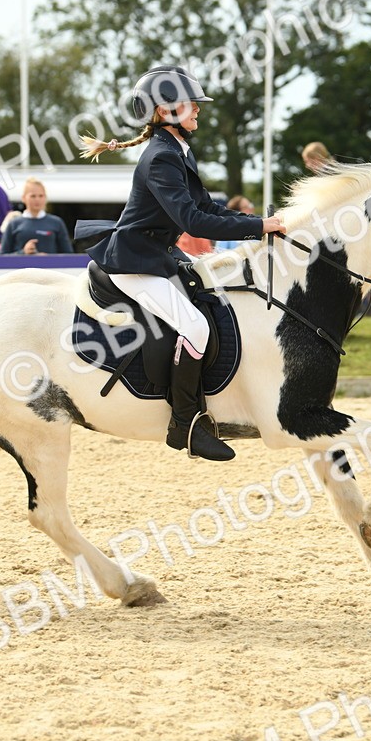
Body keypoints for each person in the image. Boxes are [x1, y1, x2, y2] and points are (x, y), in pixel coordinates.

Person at [78, 64, 286, 462]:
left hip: (159, 253)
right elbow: (192, 220)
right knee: (195, 327)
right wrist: (259, 226)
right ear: (163, 111)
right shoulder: (161, 158)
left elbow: (205, 206)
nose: (197, 110)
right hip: (133, 261)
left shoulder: (177, 151)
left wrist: (261, 224)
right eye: (190, 105)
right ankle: (185, 423)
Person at [0, 178, 74, 255]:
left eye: (41, 196)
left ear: (45, 198)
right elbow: (1, 257)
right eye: (33, 196)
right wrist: (23, 252)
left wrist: (48, 258)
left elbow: (68, 254)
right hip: (22, 267)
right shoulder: (14, 223)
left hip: (49, 267)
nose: (37, 199)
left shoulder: (57, 222)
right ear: (23, 198)